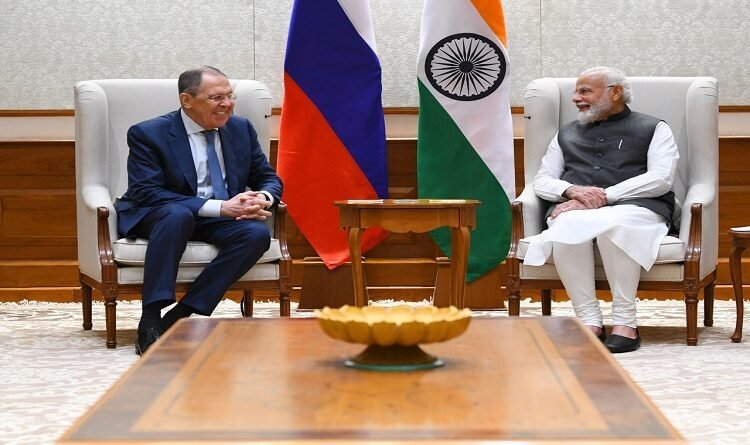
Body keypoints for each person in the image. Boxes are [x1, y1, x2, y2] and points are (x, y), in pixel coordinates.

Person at [115, 66, 282, 355]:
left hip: (217, 217)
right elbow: (147, 192)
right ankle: (150, 319)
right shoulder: (149, 133)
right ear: (187, 100)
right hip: (160, 214)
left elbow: (267, 177)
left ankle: (180, 314)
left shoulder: (240, 129)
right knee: (177, 215)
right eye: (216, 98)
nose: (226, 104)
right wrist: (221, 207)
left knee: (255, 234)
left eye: (229, 96)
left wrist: (262, 198)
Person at [522, 66, 679, 353]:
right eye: (575, 92)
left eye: (584, 91)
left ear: (616, 92)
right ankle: (589, 321)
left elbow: (660, 178)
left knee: (613, 225)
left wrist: (605, 197)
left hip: (637, 208)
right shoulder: (566, 133)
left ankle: (625, 323)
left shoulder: (654, 128)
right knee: (567, 224)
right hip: (576, 209)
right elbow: (542, 180)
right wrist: (571, 191)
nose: (575, 98)